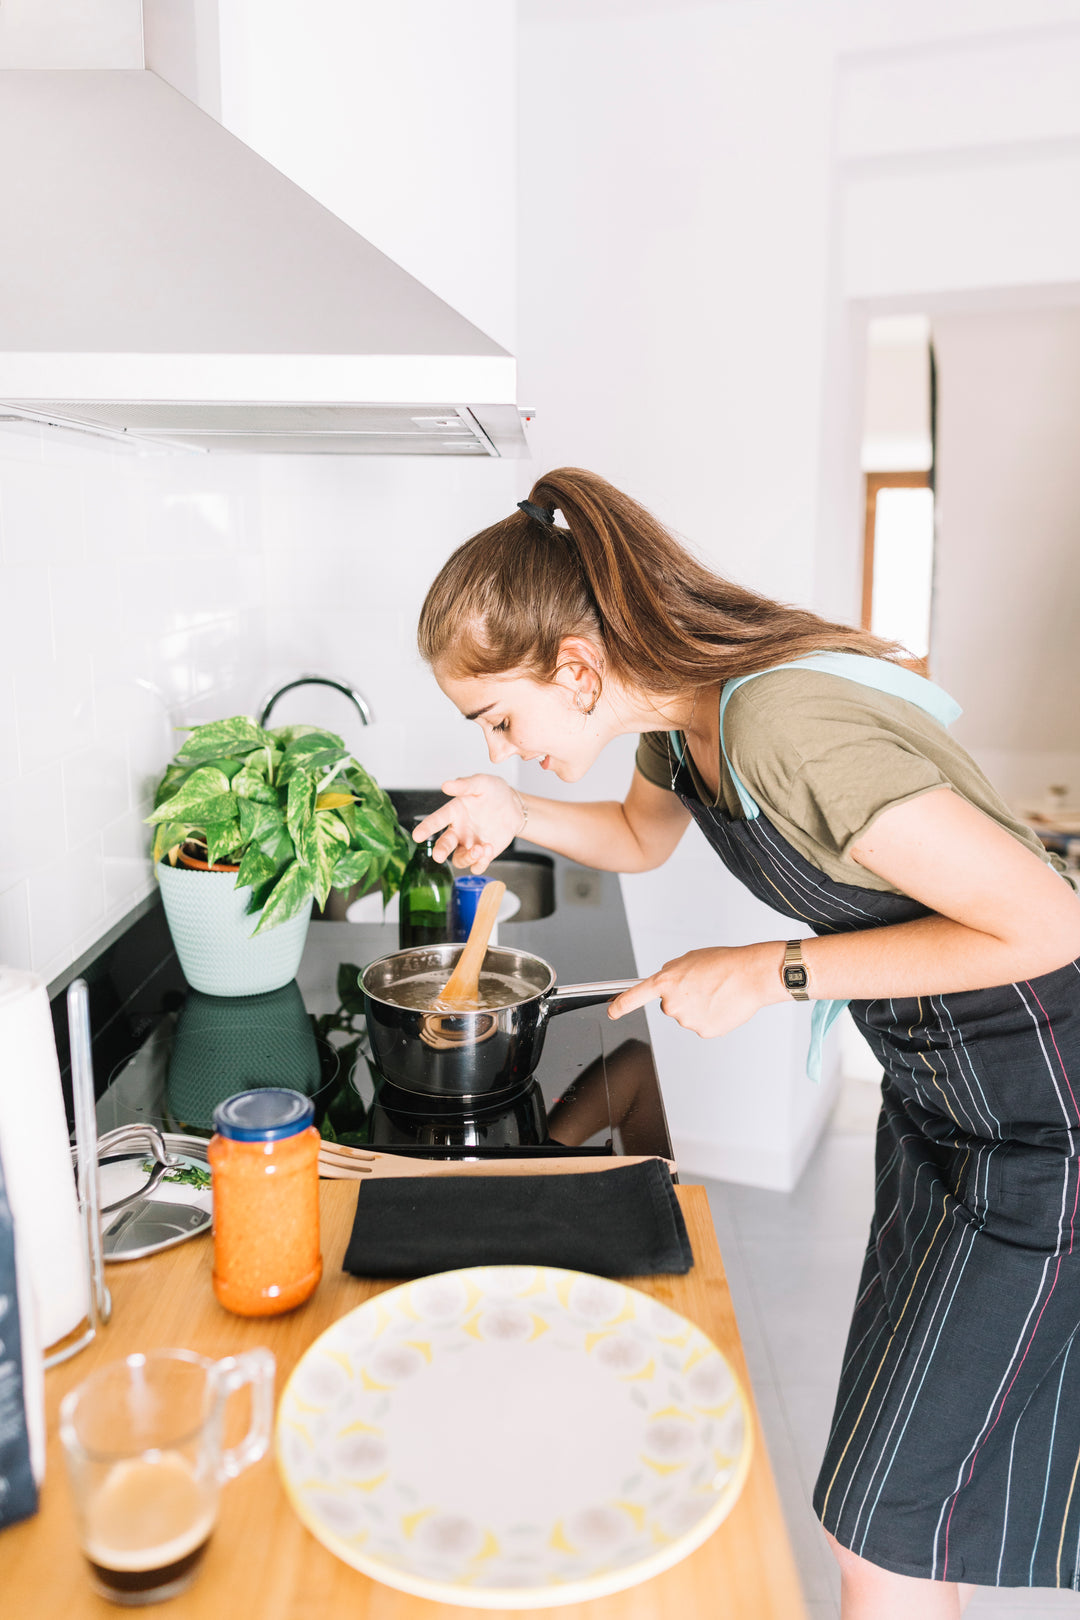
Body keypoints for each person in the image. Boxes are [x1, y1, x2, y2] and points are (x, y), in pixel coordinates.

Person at [412, 466, 1080, 1618]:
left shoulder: (777, 722)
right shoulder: (687, 721)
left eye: (500, 721)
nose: (506, 747)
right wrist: (512, 813)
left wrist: (766, 974)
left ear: (577, 668)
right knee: (892, 1512)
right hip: (941, 1105)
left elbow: (1048, 922)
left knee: (886, 1524)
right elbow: (635, 837)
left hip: (1043, 1126)